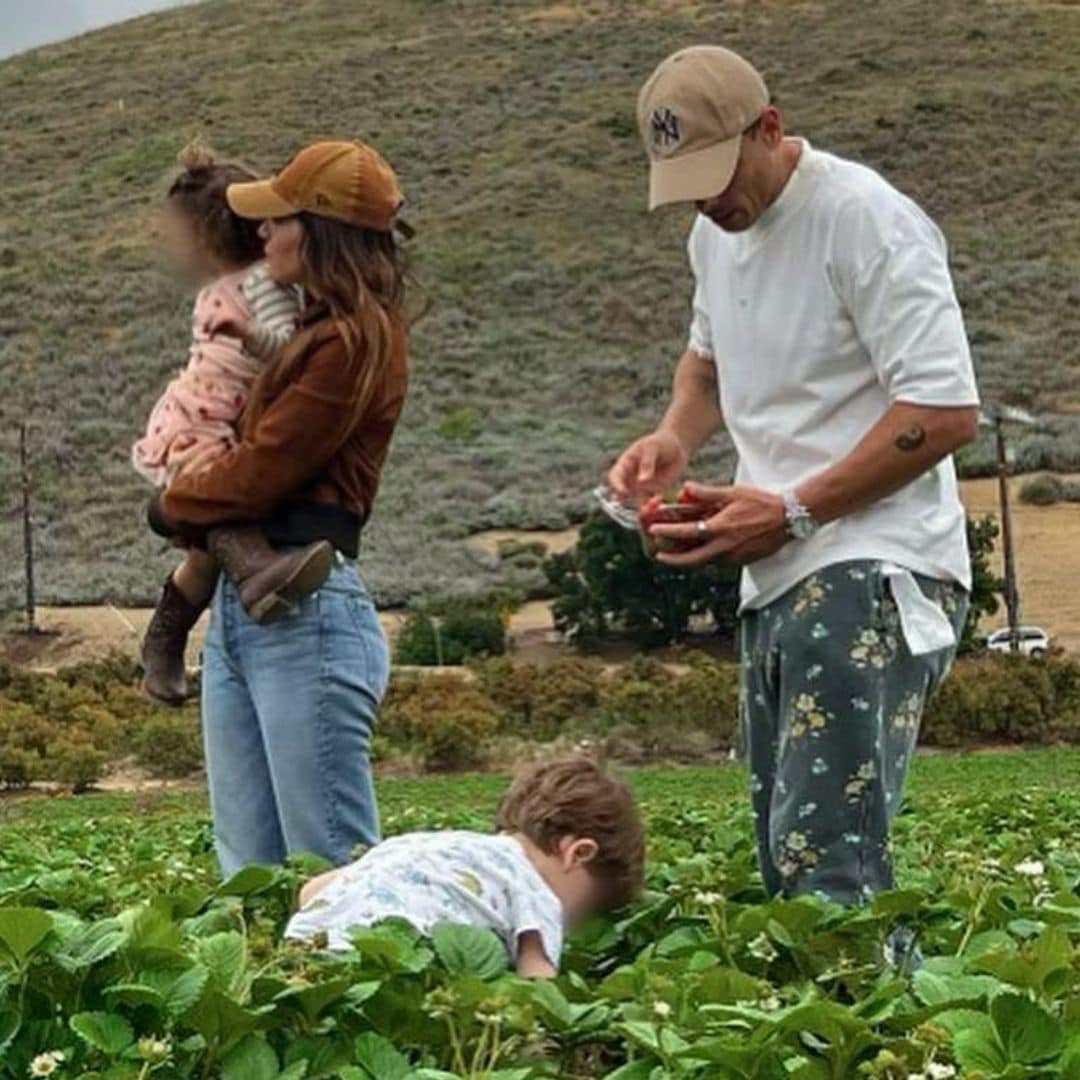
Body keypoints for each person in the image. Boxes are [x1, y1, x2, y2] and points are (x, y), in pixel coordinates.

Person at [609, 46, 980, 912]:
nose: (707, 200)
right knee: (789, 860)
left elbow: (947, 409)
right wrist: (672, 437)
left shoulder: (865, 220)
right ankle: (847, 1033)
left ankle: (869, 1040)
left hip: (873, 566)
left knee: (827, 864)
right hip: (776, 568)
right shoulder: (716, 233)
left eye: (716, 173)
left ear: (769, 128)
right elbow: (703, 366)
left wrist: (796, 510)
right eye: (687, 183)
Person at [149, 140, 413, 876]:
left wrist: (172, 504)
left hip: (309, 612)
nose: (262, 235)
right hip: (251, 610)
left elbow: (260, 474)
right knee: (252, 878)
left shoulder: (355, 342)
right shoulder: (311, 332)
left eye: (279, 220)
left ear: (323, 230)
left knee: (329, 869)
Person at [133, 143, 313, 706]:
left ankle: (163, 640)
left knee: (203, 555)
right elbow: (280, 353)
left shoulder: (262, 285)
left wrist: (247, 336)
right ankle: (259, 575)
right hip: (204, 419)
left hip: (220, 416)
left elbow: (282, 348)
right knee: (217, 522)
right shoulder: (244, 287)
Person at [285, 756, 646, 977]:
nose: (567, 924)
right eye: (580, 908)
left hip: (301, 953)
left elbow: (312, 890)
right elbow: (536, 987)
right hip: (378, 966)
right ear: (577, 854)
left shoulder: (435, 842)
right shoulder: (534, 888)